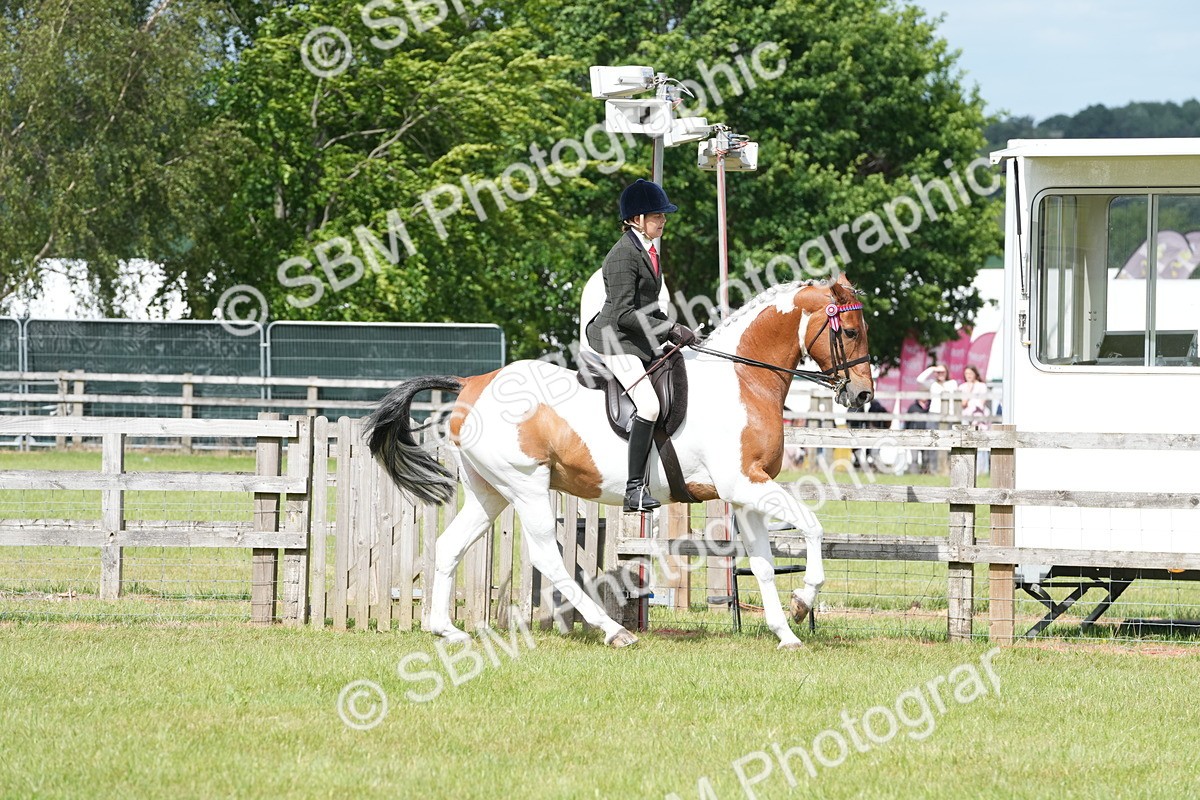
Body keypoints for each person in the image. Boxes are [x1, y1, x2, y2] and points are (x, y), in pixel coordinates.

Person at [584, 179, 696, 512]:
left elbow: (647, 306)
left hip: (636, 336)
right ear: (636, 219)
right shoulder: (622, 255)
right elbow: (623, 314)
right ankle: (634, 490)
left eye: (663, 215)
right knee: (648, 405)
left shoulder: (647, 250)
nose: (663, 220)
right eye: (656, 215)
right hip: (614, 338)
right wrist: (669, 328)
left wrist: (677, 331)